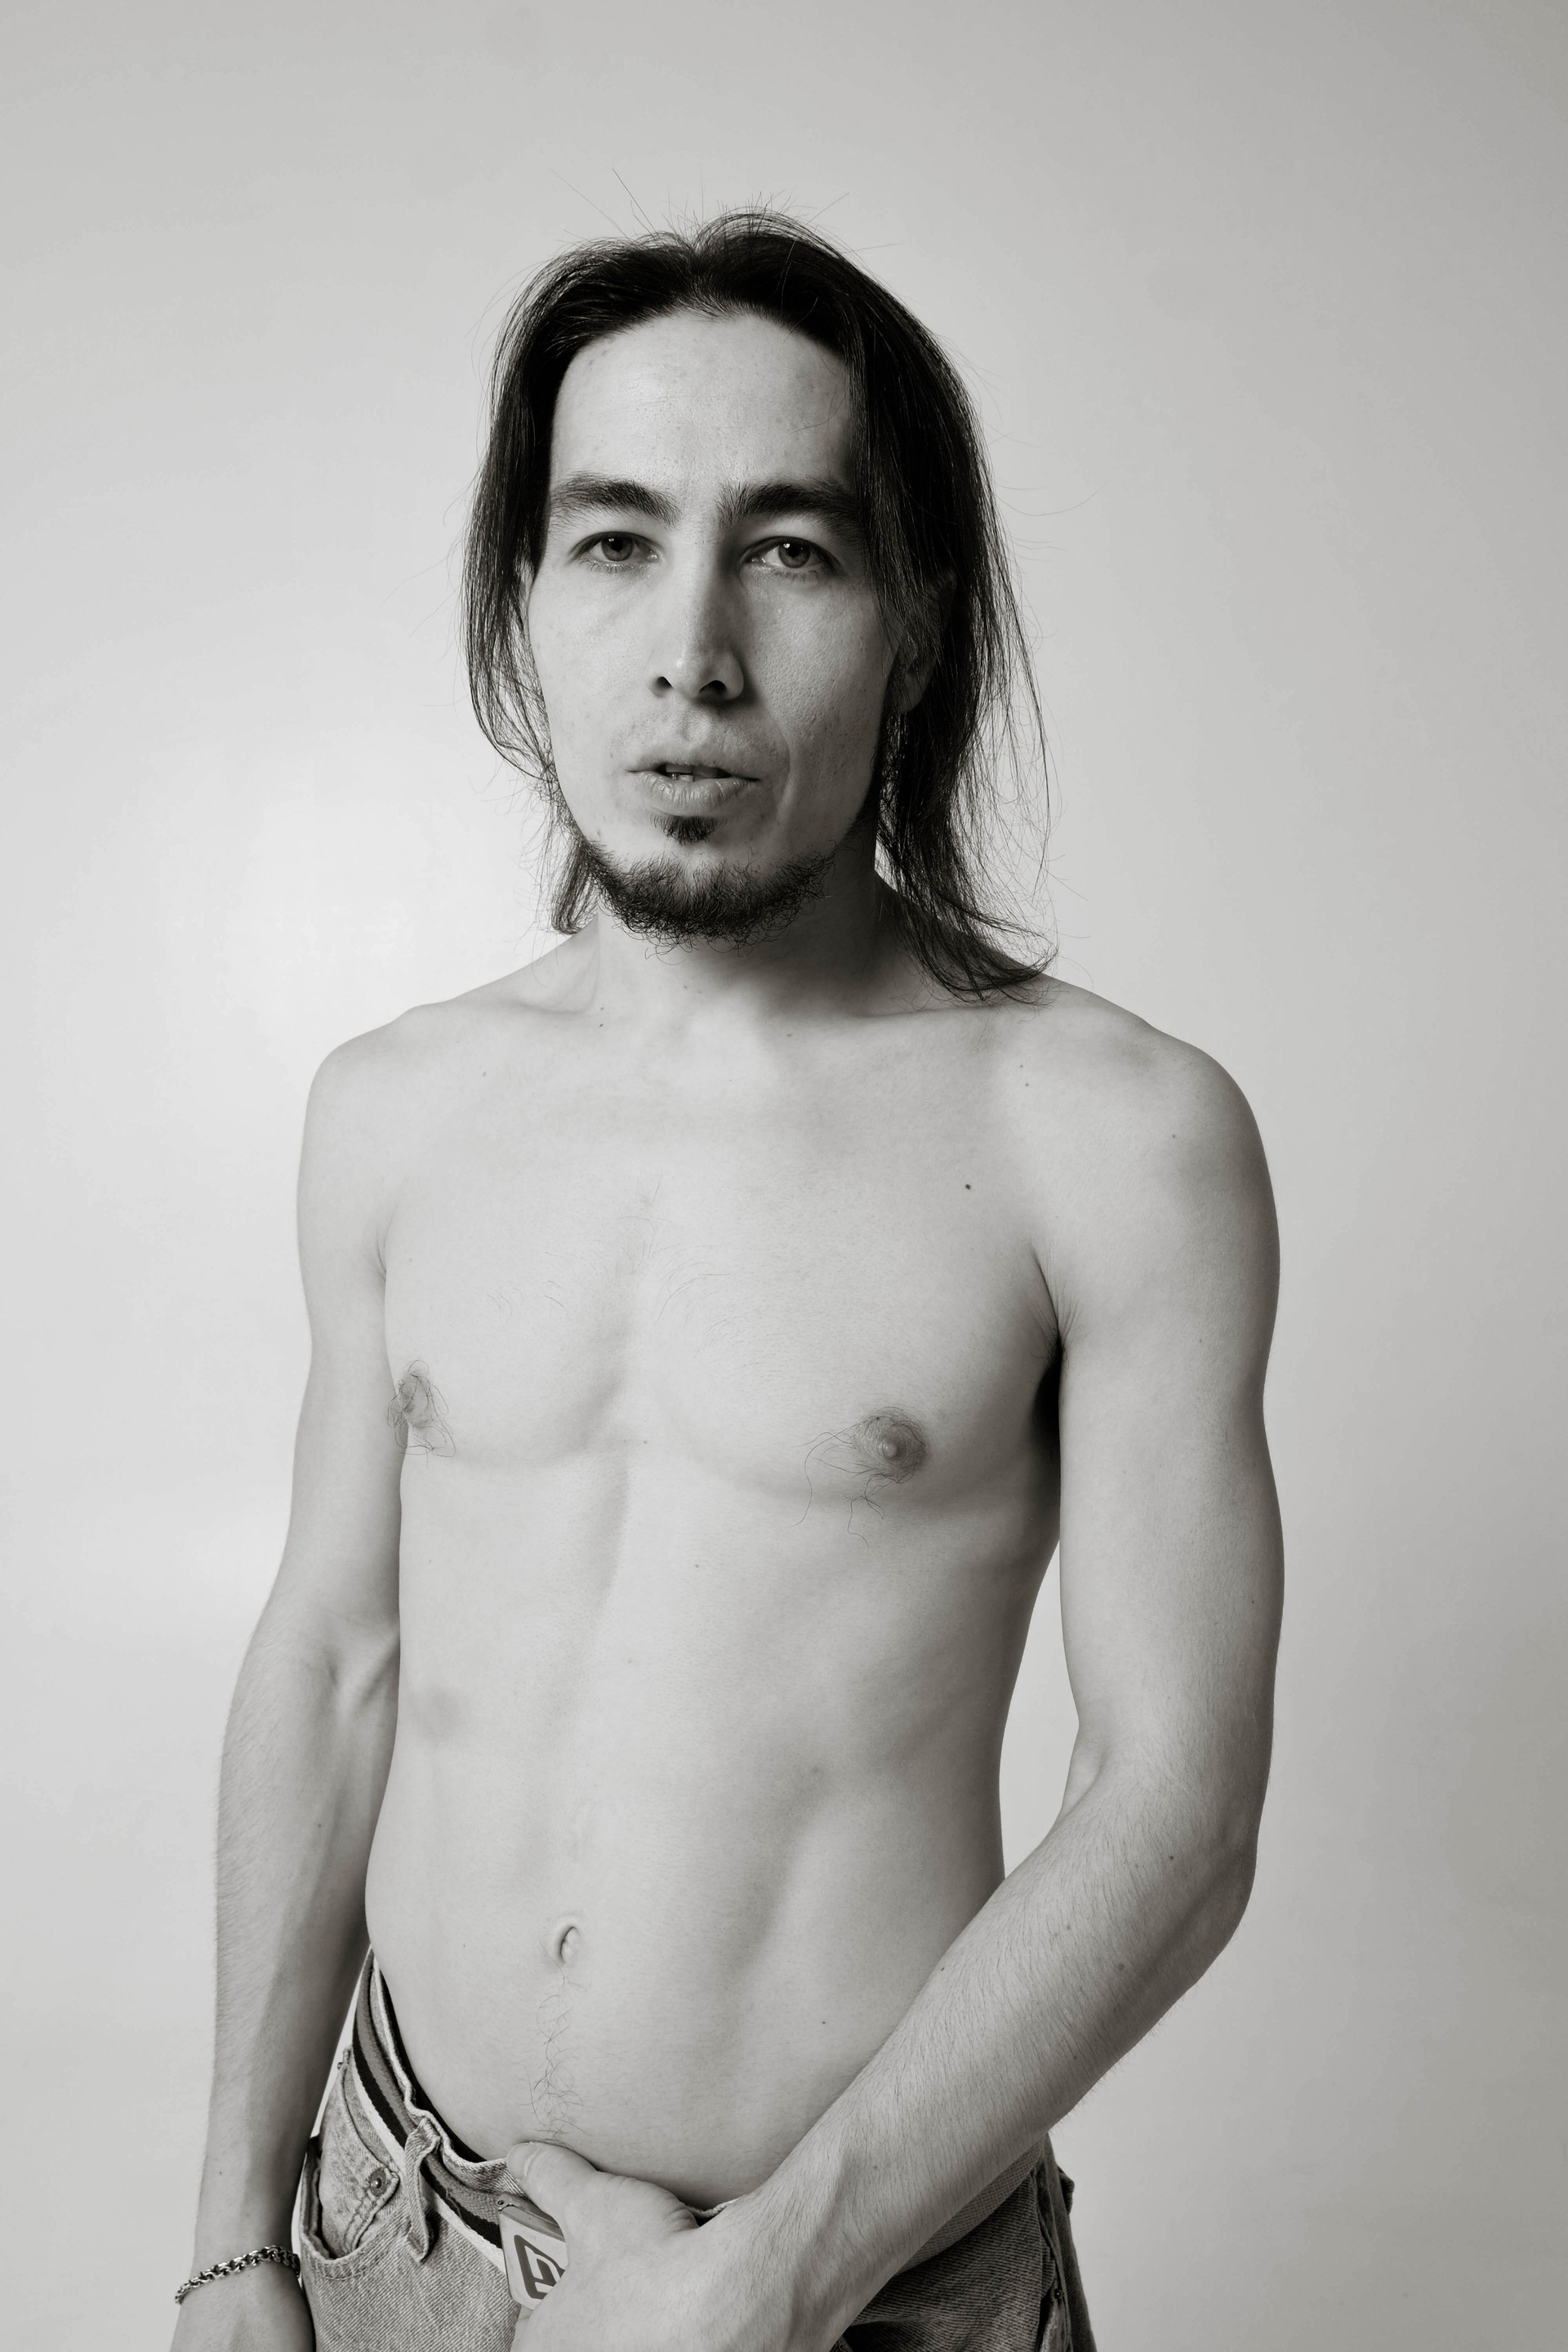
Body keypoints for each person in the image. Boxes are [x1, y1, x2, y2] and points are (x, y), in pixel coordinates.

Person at [171, 210, 1282, 2352]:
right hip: (399, 2232)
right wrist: (236, 2229)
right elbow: (332, 1656)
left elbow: (1180, 1801)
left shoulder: (1115, 1136)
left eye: (790, 549)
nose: (694, 652)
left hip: (862, 2289)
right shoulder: (393, 1110)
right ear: (523, 610)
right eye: (614, 542)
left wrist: (766, 2282)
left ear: (917, 623)